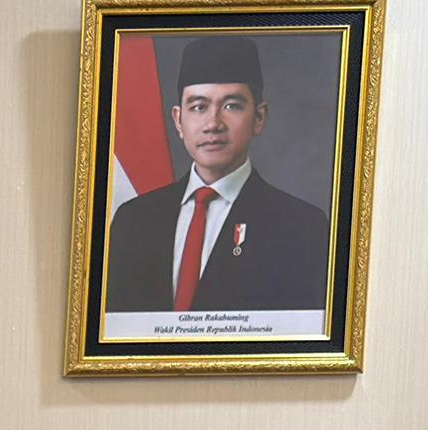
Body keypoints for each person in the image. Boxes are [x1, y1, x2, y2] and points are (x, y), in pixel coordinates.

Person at [101, 34, 333, 317]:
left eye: (231, 105)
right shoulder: (133, 220)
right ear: (178, 120)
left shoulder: (302, 228)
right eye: (198, 107)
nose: (213, 124)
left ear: (259, 117)